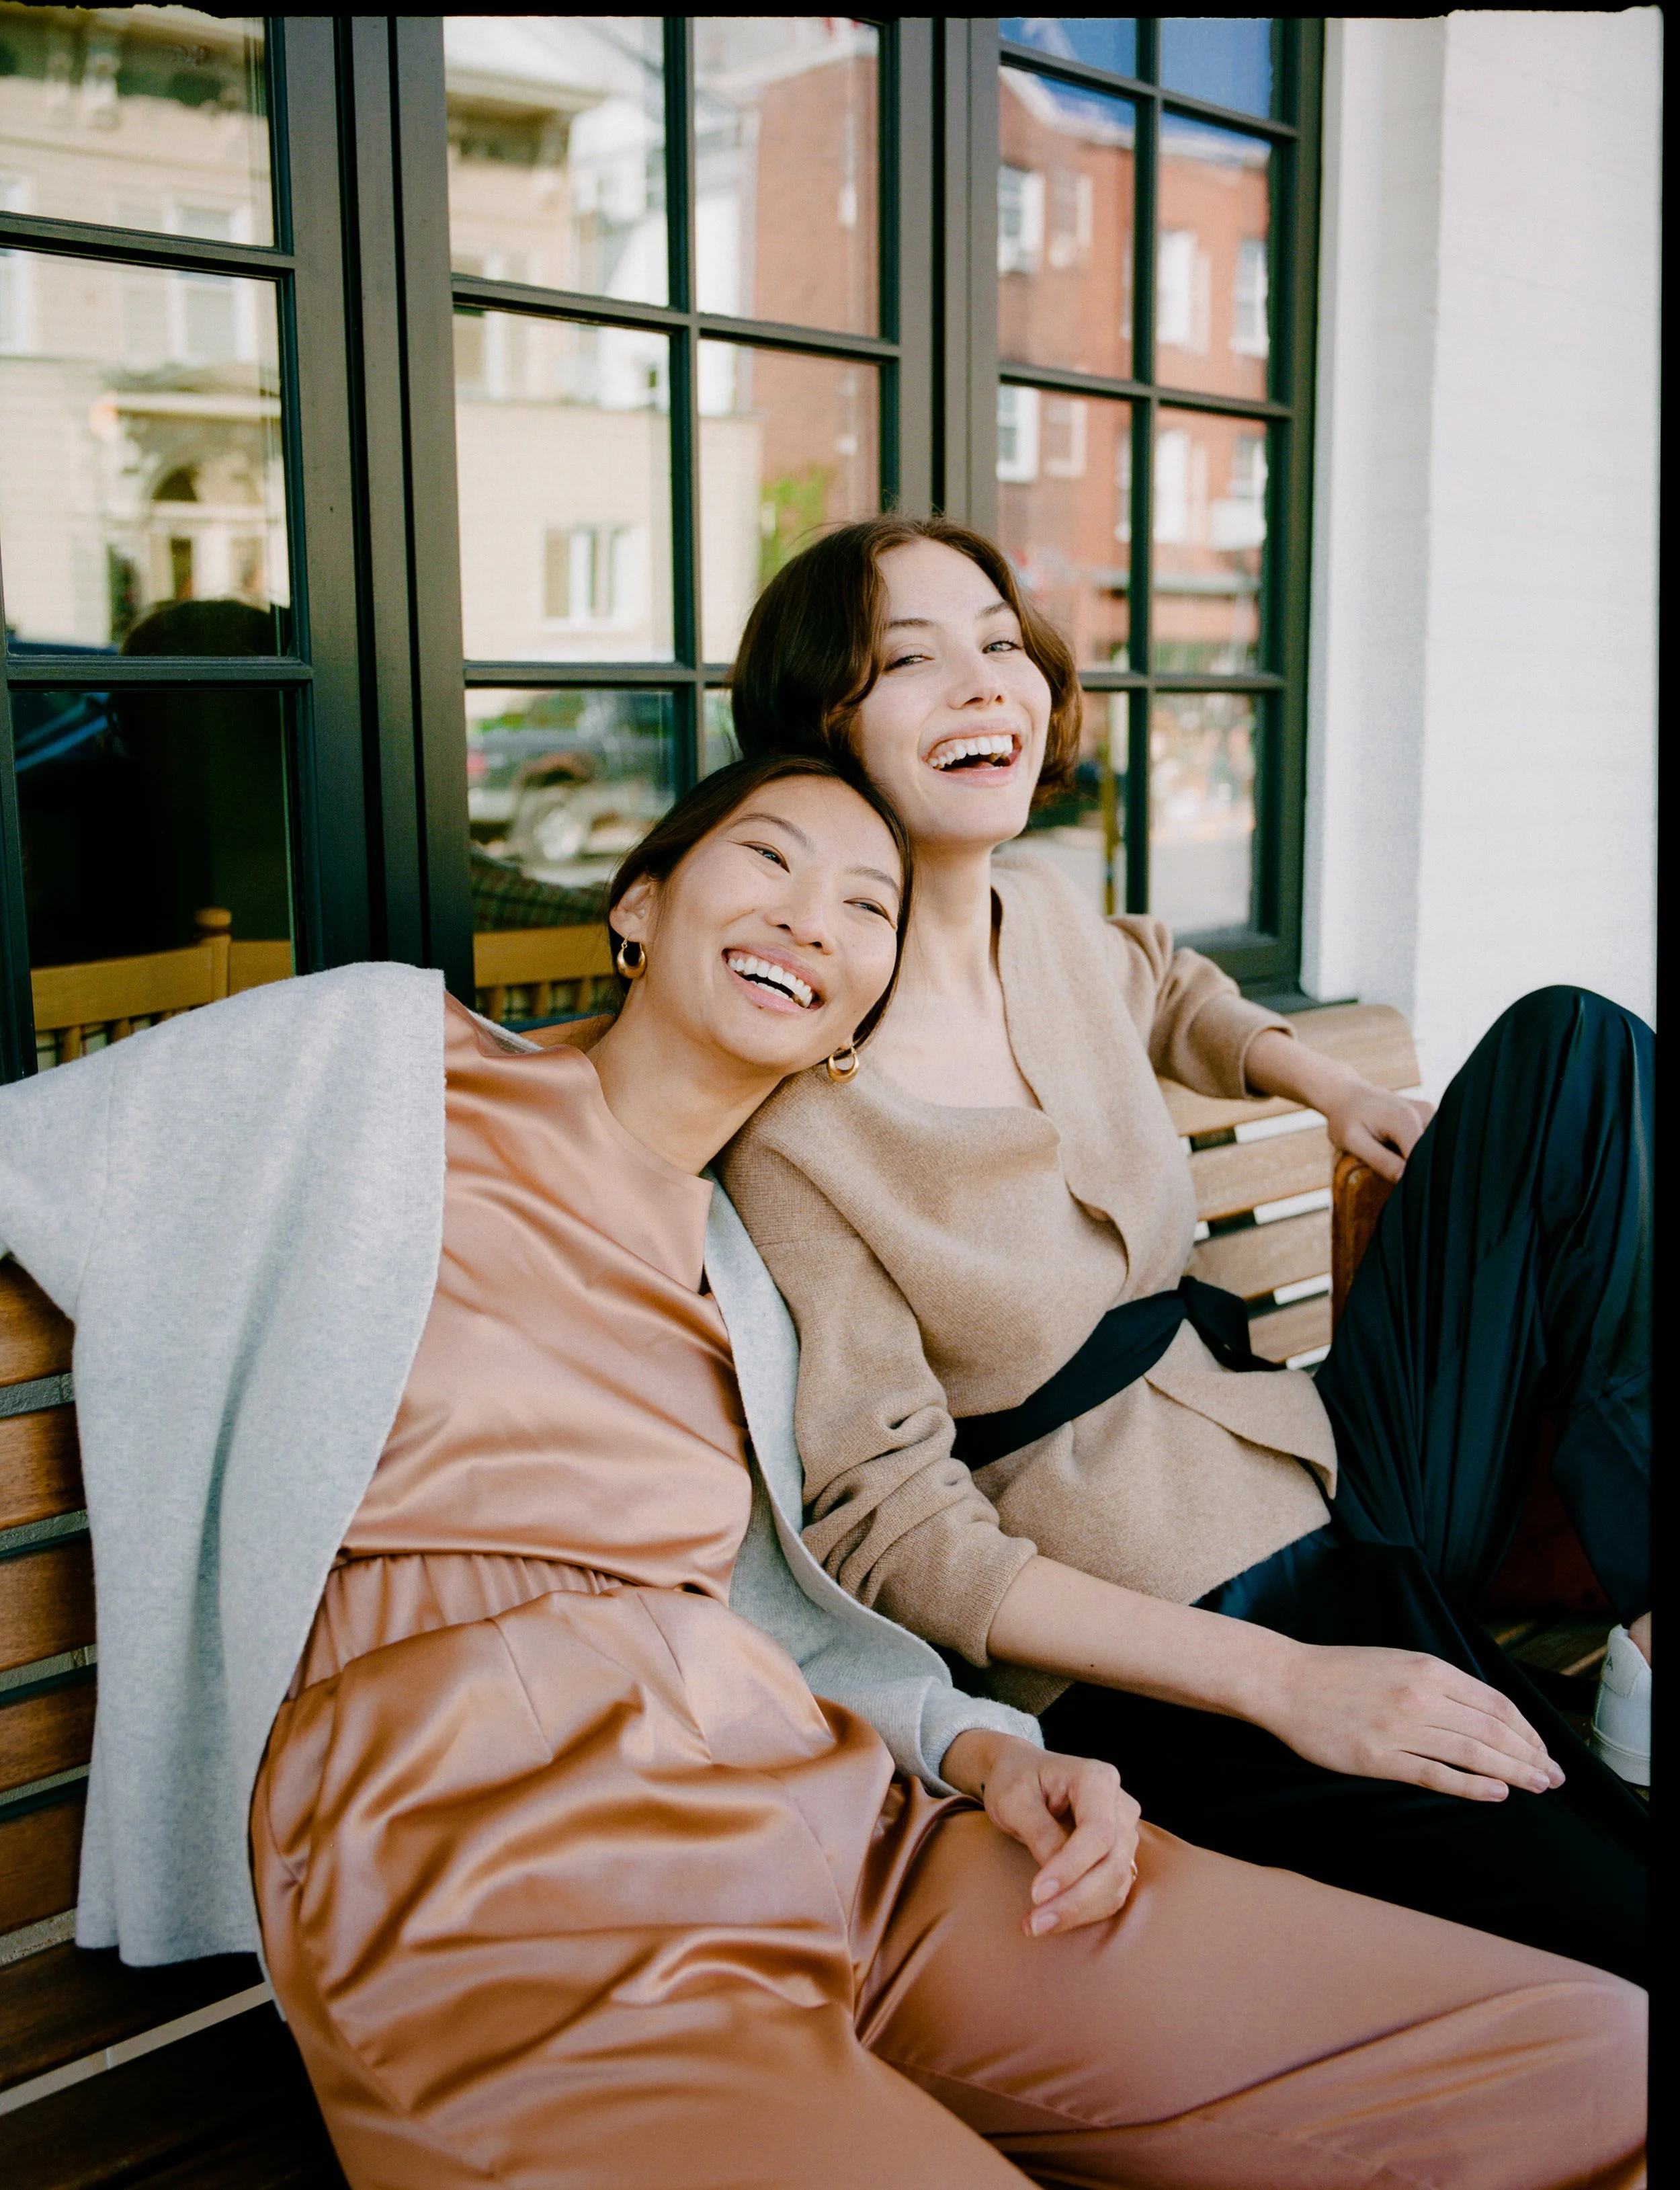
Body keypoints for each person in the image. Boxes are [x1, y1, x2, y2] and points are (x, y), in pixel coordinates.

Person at [0, 756, 1644, 2189]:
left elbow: (797, 1608)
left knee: (1588, 2062)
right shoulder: (381, 1072)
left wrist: (988, 1753)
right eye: (767, 861)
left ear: (862, 1010)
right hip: (481, 1829)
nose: (811, 920)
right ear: (638, 905)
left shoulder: (761, 1268)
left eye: (866, 908)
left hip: (839, 1814)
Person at [718, 516, 1650, 1986]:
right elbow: (888, 1526)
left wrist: (1325, 1085)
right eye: (910, 660)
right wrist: (1284, 1683)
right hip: (1162, 1637)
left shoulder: (1041, 913)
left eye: (1001, 644)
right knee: (1609, 1919)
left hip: (1321, 1460)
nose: (984, 683)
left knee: (1571, 1052)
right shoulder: (796, 1120)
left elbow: (1164, 982)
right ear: (816, 723)